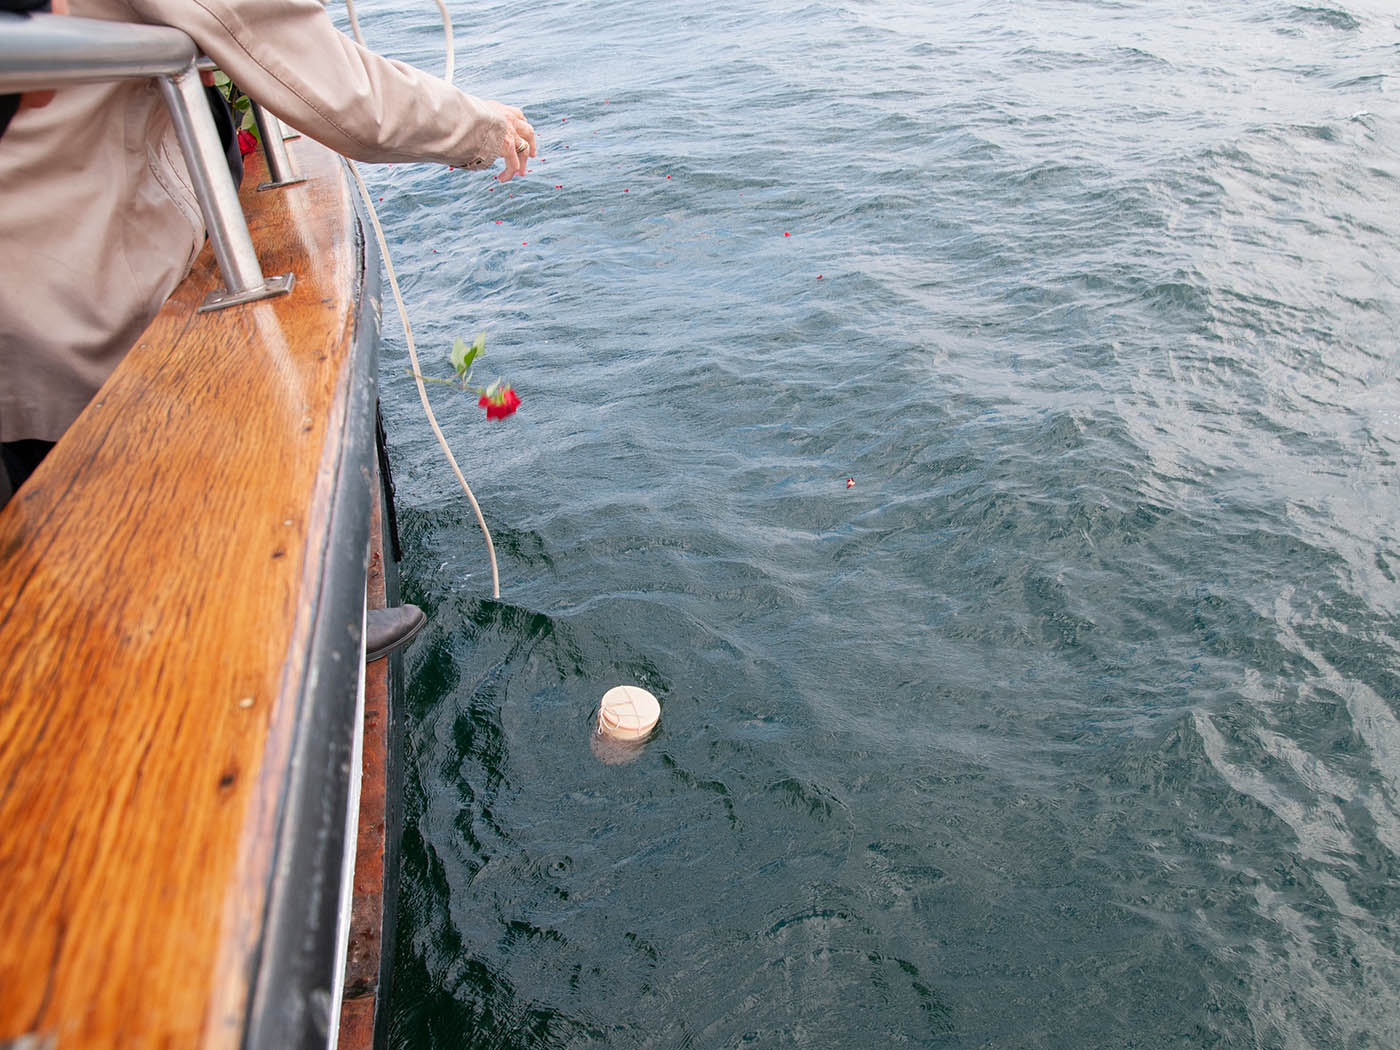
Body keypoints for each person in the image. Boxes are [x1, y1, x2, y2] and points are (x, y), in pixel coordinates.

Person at [0, 0, 533, 658]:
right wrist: (483, 126)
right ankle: (267, 645)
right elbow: (324, 80)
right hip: (69, 299)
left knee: (53, 525)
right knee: (122, 506)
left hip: (29, 295)